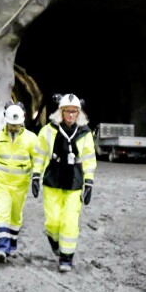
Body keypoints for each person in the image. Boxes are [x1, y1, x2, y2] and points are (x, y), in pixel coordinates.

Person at [31, 94, 96, 273]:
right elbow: (39, 154)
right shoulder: (48, 131)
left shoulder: (84, 133)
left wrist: (89, 182)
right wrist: (36, 176)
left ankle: (66, 257)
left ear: (78, 113)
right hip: (53, 179)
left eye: (74, 111)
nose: (70, 115)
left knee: (70, 221)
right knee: (52, 221)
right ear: (61, 112)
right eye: (67, 111)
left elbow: (89, 158)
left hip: (74, 181)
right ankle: (54, 241)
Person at [0, 103, 37, 263]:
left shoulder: (31, 139)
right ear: (6, 122)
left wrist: (36, 177)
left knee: (15, 216)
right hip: (0, 182)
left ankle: (12, 244)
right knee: (2, 213)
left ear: (22, 122)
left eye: (17, 125)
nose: (14, 127)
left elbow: (37, 160)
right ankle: (1, 248)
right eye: (11, 124)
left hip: (20, 185)